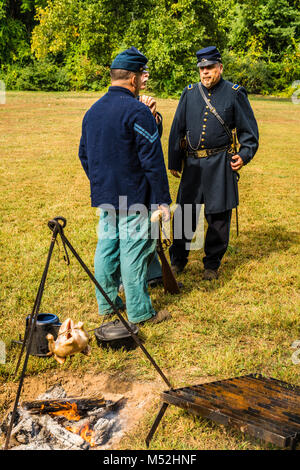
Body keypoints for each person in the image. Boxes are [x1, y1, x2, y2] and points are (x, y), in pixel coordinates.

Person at [78, 46, 172, 324]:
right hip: (135, 196)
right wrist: (162, 201)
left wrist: (101, 183)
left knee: (106, 248)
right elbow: (152, 161)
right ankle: (141, 313)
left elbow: (84, 155)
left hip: (105, 196)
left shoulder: (92, 112)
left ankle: (107, 305)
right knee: (134, 251)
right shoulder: (137, 111)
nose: (144, 80)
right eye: (142, 75)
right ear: (132, 79)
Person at [168, 46, 259, 280]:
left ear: (220, 68)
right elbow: (177, 128)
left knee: (219, 216)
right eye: (201, 68)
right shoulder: (189, 93)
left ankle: (211, 264)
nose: (205, 73)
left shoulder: (235, 93)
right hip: (193, 164)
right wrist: (174, 161)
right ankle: (178, 259)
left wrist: (245, 154)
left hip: (221, 163)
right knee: (185, 213)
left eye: (210, 68)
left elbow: (248, 130)